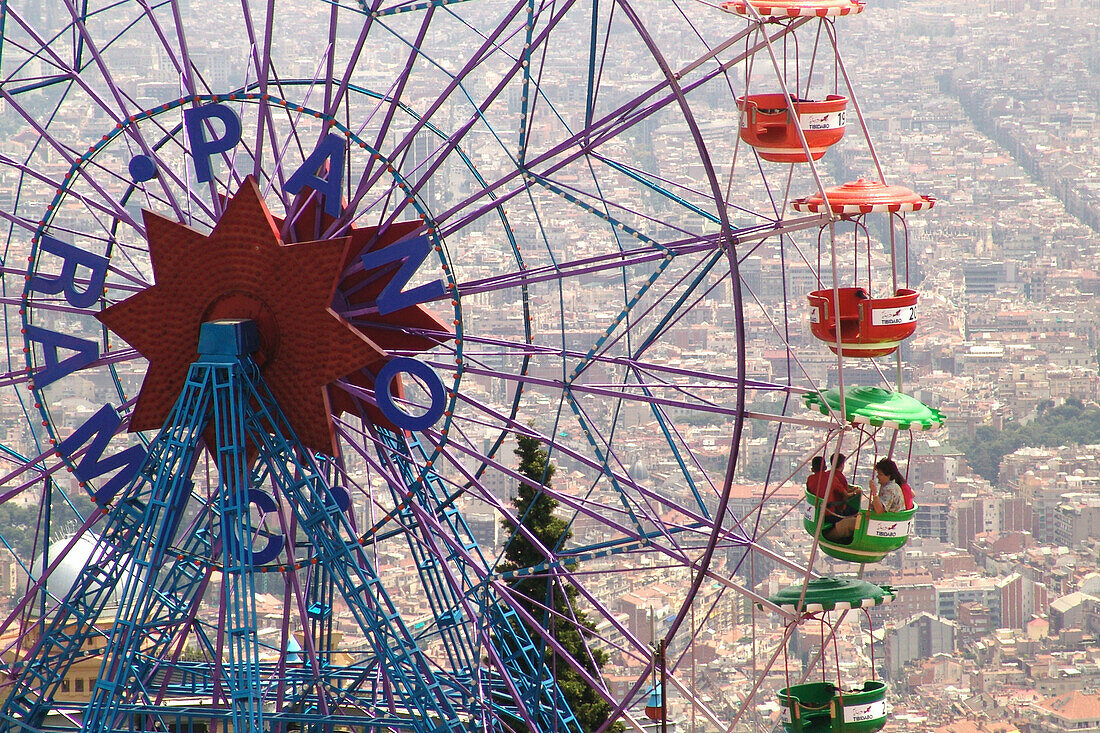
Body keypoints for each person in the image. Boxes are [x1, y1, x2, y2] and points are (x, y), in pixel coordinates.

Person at [825, 457, 907, 543]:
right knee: (853, 515)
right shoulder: (893, 486)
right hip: (884, 523)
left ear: (888, 476)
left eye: (880, 474)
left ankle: (828, 537)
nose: (878, 477)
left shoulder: (889, 489)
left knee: (846, 524)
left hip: (881, 525)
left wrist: (874, 492)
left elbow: (880, 510)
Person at [806, 453, 860, 522]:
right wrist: (855, 493)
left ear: (812, 469)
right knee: (859, 514)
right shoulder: (830, 478)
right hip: (829, 514)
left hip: (815, 514)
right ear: (825, 468)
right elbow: (845, 495)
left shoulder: (809, 479)